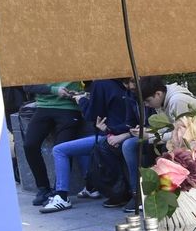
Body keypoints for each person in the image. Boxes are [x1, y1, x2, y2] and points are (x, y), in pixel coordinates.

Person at [42, 77, 141, 213]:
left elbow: (91, 114)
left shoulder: (100, 84)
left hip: (110, 135)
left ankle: (62, 196)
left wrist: (81, 100)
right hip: (119, 132)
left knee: (59, 150)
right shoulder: (120, 85)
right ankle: (90, 187)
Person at [20, 81, 87, 206]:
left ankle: (59, 192)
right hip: (43, 107)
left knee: (63, 147)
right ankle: (43, 188)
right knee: (29, 145)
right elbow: (27, 85)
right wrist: (55, 90)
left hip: (69, 107)